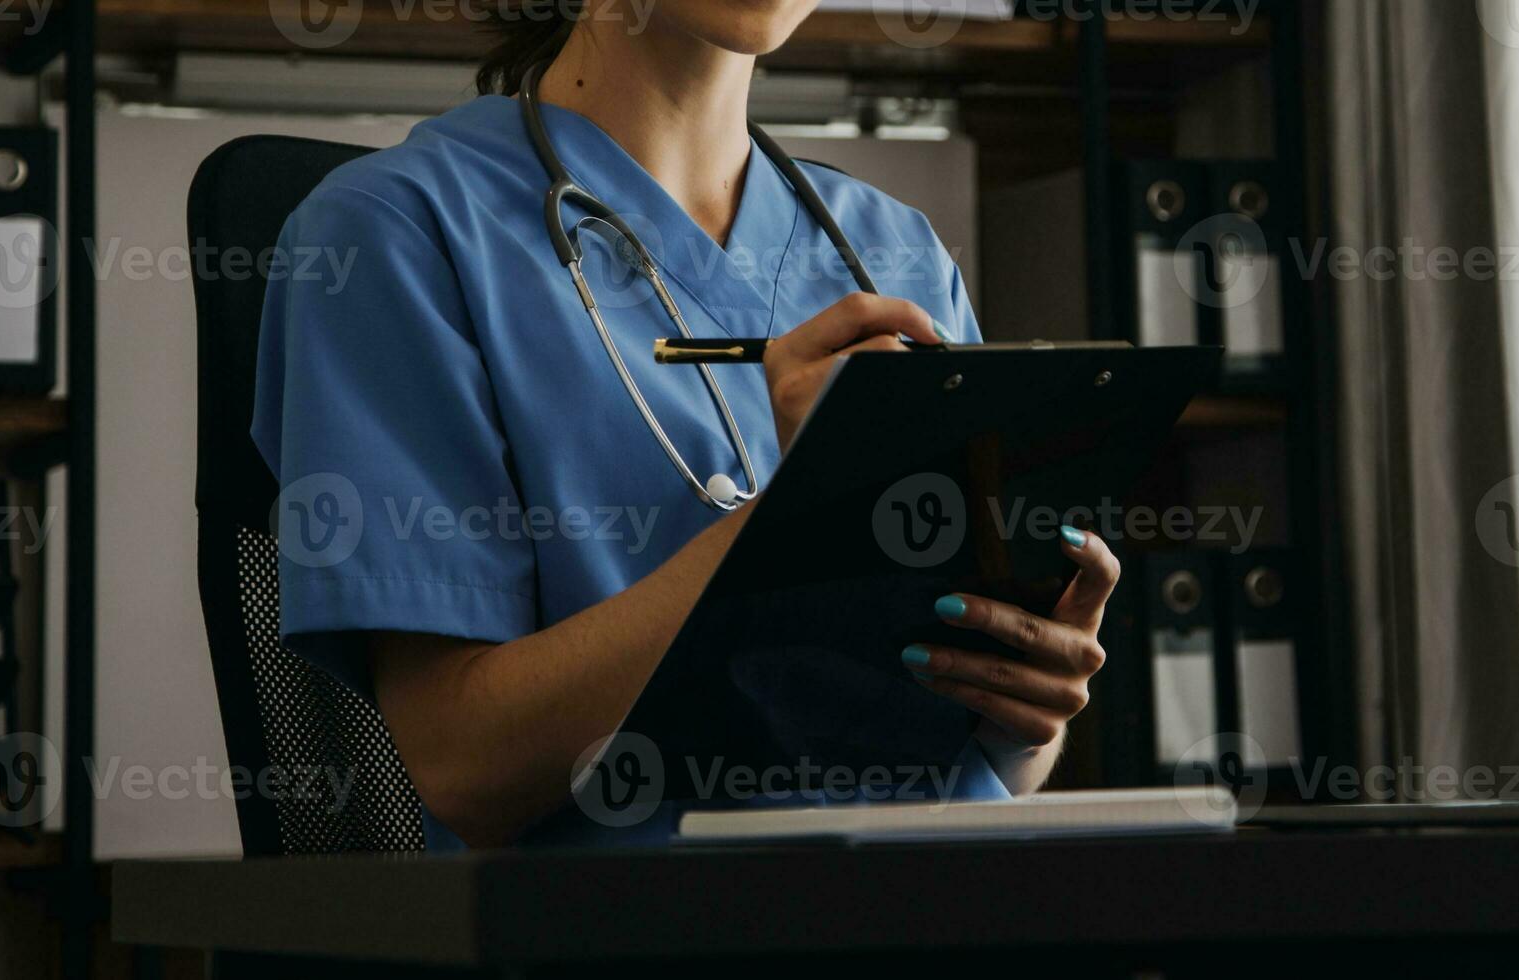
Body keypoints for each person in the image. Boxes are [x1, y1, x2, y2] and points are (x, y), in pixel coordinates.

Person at [252, 0, 1116, 849]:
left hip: (947, 905)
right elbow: (463, 767)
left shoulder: (899, 251)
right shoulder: (397, 232)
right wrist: (796, 521)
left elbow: (985, 759)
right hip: (641, 926)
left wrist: (1023, 714)